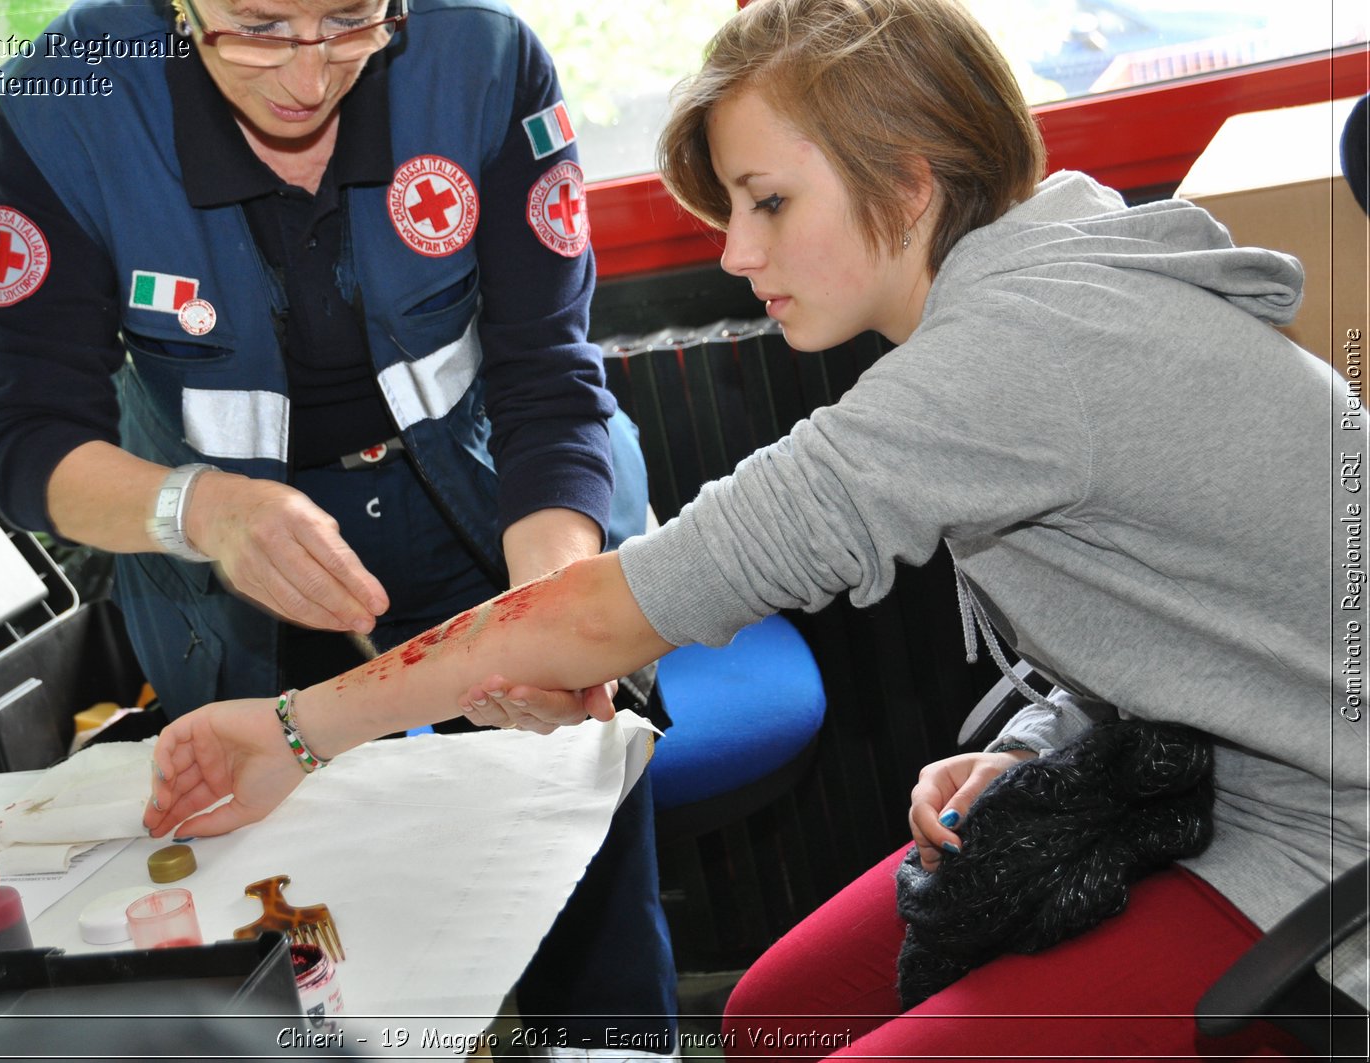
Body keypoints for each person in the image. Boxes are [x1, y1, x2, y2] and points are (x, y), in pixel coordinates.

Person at [145, 0, 1366, 1056]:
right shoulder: (1042, 274)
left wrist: (295, 730)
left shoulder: (1013, 357)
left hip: (1323, 842)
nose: (735, 252)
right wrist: (1051, 737)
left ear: (907, 177)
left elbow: (629, 597)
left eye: (769, 204)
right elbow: (1201, 606)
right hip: (1212, 771)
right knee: (770, 1017)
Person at [0, 0, 675, 1052]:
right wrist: (197, 509)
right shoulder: (68, 105)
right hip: (235, 570)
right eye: (256, 26)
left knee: (576, 850)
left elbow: (548, 382)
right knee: (297, 919)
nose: (308, 76)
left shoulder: (481, 59)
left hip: (496, 510)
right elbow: (27, 447)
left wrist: (547, 613)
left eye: (351, 21)